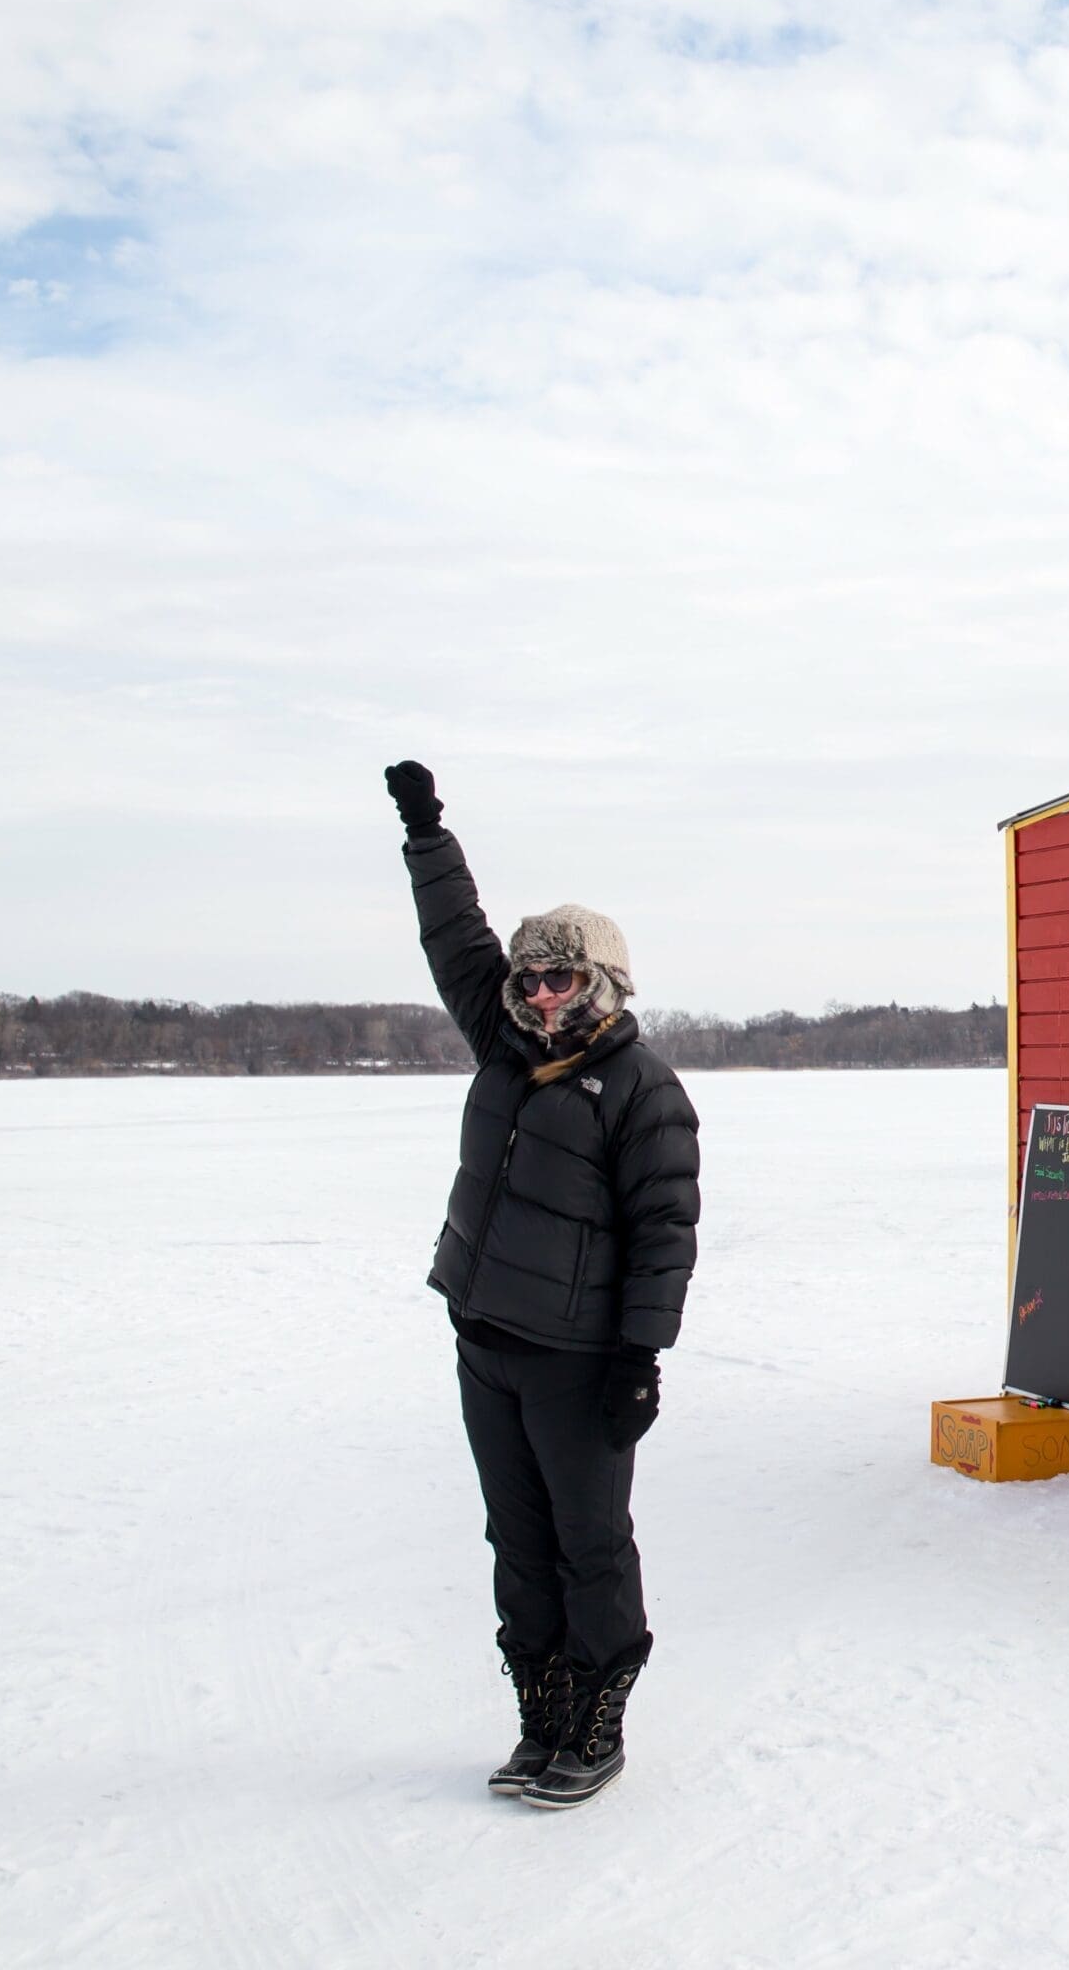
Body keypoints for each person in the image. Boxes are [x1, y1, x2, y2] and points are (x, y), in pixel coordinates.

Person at [383, 759, 700, 1810]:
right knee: (516, 1542)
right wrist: (428, 831)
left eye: (559, 977)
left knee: (589, 1543)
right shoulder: (504, 1049)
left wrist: (640, 1357)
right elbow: (455, 939)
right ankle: (542, 1715)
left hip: (580, 1359)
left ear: (603, 984)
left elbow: (665, 1230)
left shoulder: (641, 1088)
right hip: (486, 1340)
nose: (539, 992)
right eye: (529, 978)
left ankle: (598, 1722)